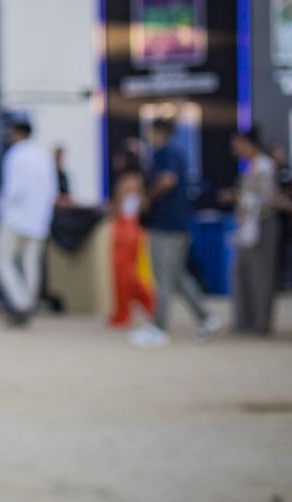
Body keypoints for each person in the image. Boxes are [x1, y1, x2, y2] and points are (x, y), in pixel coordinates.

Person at [130, 116, 219, 347]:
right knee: (177, 274)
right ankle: (206, 317)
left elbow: (167, 180)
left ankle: (159, 328)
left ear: (157, 131)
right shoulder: (173, 153)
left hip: (166, 225)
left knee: (163, 277)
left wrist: (147, 198)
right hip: (175, 224)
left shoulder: (165, 154)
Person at [0, 119, 58, 327]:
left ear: (17, 133)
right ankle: (27, 304)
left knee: (1, 260)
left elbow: (14, 189)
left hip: (15, 219)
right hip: (38, 221)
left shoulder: (16, 154)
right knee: (31, 264)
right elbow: (52, 190)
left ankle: (21, 304)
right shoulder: (43, 155)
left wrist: (0, 204)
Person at [225, 127, 281, 335]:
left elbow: (268, 198)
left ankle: (260, 324)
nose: (234, 149)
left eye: (237, 144)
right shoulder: (252, 166)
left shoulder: (265, 165)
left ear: (247, 144)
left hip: (262, 224)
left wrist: (243, 199)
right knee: (242, 272)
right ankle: (244, 321)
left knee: (261, 275)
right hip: (247, 227)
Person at [107, 150, 154, 328]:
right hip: (135, 227)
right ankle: (148, 304)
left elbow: (117, 208)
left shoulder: (123, 181)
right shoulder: (139, 181)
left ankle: (123, 313)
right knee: (131, 272)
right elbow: (145, 205)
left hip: (123, 227)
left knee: (121, 275)